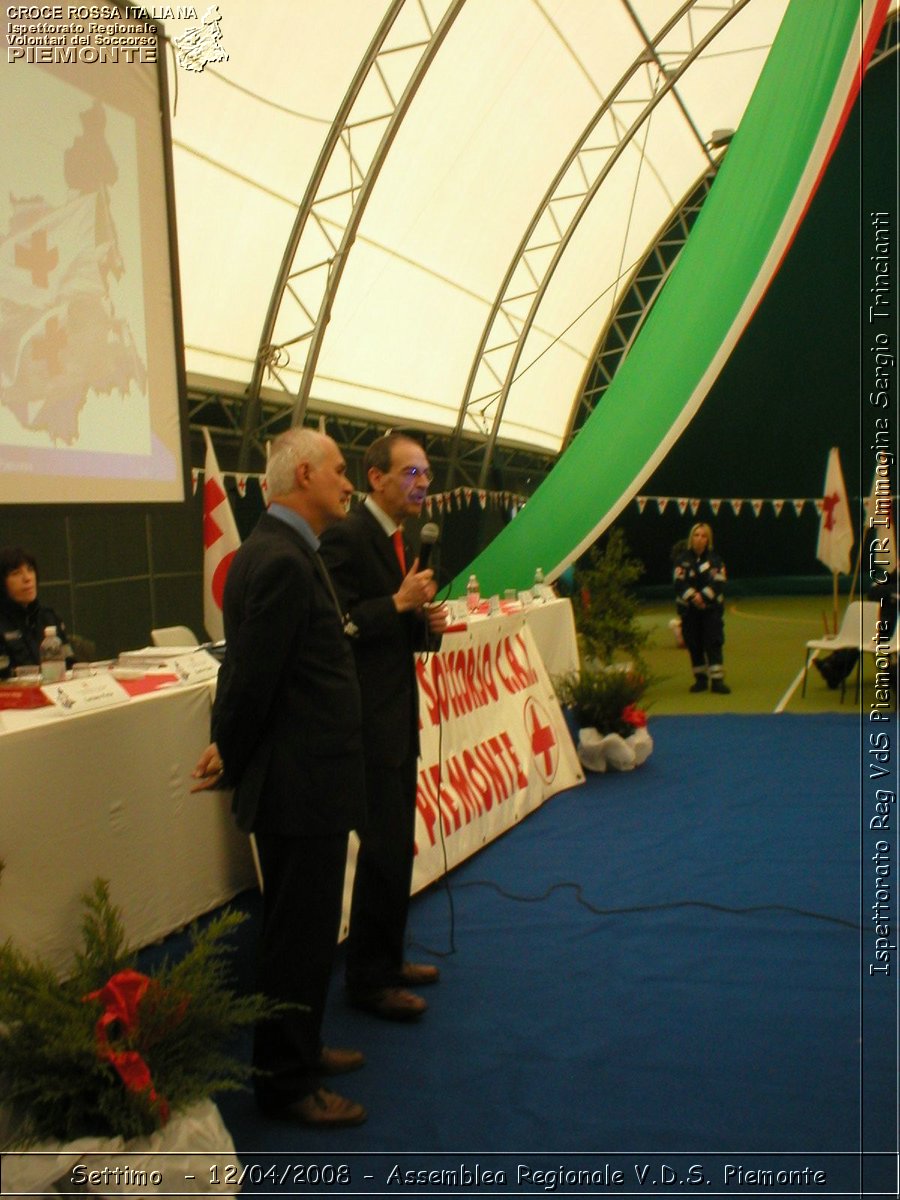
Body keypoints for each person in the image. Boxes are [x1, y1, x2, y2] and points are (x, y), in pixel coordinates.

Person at [191, 429, 368, 1129]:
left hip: (310, 782)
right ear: (303, 473)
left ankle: (302, 1047)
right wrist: (228, 751)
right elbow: (252, 677)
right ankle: (286, 1083)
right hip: (299, 788)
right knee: (297, 938)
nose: (348, 482)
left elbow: (254, 667)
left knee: (309, 931)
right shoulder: (281, 560)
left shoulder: (283, 550)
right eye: (340, 470)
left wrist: (228, 746)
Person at [320, 431, 448, 1021]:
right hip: (367, 722)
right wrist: (398, 606)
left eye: (425, 474)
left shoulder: (397, 539)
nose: (422, 484)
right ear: (376, 478)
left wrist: (425, 622)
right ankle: (368, 981)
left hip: (398, 716)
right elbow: (336, 626)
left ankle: (388, 958)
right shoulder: (347, 537)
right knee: (381, 851)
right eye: (411, 473)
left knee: (397, 848)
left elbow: (391, 626)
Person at [673, 522, 731, 694]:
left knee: (713, 642)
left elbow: (719, 581)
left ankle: (717, 680)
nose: (699, 539)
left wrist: (703, 597)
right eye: (696, 535)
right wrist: (693, 597)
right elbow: (679, 583)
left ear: (708, 539)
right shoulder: (682, 560)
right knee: (694, 643)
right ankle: (700, 679)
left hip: (711, 610)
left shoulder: (715, 560)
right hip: (689, 611)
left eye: (703, 535)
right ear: (691, 538)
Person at [0, 546, 73, 680]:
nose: (27, 578)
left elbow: (71, 666)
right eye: (16, 573)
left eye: (30, 570)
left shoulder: (50, 617)